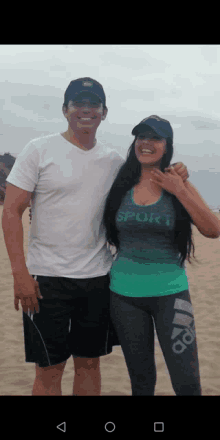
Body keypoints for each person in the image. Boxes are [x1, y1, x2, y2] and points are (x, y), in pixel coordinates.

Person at [3, 78, 219, 396]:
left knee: (96, 366)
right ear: (65, 110)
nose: (86, 110)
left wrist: (180, 180)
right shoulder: (48, 152)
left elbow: (206, 223)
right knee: (56, 371)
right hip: (64, 282)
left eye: (94, 104)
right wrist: (20, 273)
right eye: (78, 103)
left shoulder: (128, 167)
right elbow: (14, 211)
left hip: (109, 282)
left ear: (105, 113)